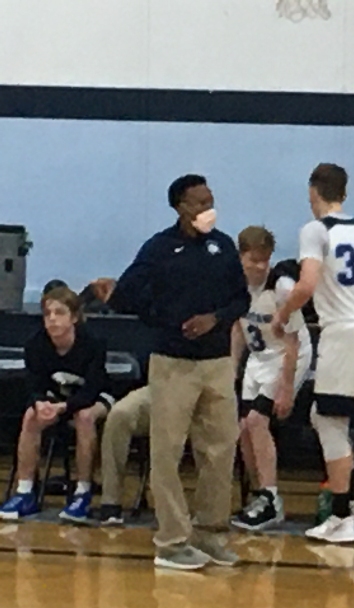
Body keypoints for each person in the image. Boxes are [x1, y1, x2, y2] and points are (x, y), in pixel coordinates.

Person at [106, 174, 250, 571]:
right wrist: (166, 320)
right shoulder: (159, 248)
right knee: (167, 453)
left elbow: (241, 298)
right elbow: (124, 295)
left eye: (211, 200)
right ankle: (171, 542)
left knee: (220, 450)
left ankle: (210, 533)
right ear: (180, 207)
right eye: (200, 202)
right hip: (172, 364)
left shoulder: (223, 246)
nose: (208, 209)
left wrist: (215, 319)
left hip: (217, 363)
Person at [273, 163, 354, 545]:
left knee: (329, 421)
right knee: (325, 416)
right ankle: (353, 500)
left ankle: (343, 517)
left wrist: (282, 314)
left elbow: (306, 284)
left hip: (346, 333)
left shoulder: (316, 230)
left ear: (313, 193)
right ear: (344, 192)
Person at [0, 287, 114, 523]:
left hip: (95, 397)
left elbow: (92, 390)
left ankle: (82, 493)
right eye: (47, 313)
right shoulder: (35, 344)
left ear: (74, 317)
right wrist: (40, 403)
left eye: (59, 312)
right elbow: (33, 384)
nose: (52, 319)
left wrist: (63, 408)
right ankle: (25, 492)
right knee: (31, 416)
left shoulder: (93, 343)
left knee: (84, 417)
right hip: (57, 398)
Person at [231, 226, 314, 532]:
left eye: (264, 260)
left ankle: (271, 497)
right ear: (240, 257)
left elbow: (293, 342)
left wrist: (287, 388)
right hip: (259, 357)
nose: (260, 266)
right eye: (253, 260)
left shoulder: (282, 288)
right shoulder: (233, 285)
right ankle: (259, 494)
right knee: (243, 427)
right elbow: (237, 328)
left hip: (287, 356)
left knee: (257, 421)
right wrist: (232, 370)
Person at [94, 385, 151, 526]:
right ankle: (111, 500)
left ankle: (204, 514)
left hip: (202, 388)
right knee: (119, 414)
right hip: (161, 386)